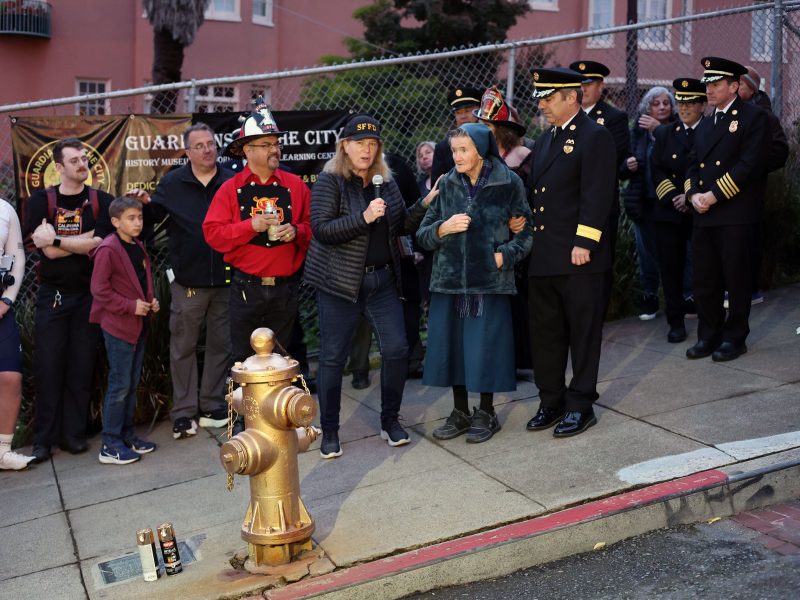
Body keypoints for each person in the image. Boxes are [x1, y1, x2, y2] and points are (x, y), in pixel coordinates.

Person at [303, 113, 430, 459]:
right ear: (345, 146)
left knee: (396, 349)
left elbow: (402, 223)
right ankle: (329, 430)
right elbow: (322, 229)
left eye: (373, 144)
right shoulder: (330, 181)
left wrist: (426, 202)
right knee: (332, 358)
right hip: (339, 283)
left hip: (382, 281)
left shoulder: (385, 182)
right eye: (360, 143)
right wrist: (363, 218)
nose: (367, 149)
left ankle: (390, 420)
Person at [417, 123, 532, 443]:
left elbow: (526, 233)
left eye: (463, 150)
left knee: (485, 350)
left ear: (481, 150)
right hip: (449, 282)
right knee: (453, 348)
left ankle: (486, 411)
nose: (457, 156)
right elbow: (422, 236)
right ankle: (460, 412)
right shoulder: (447, 184)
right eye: (454, 150)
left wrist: (504, 257)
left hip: (489, 283)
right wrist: (443, 228)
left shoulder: (507, 182)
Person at [525, 67, 616, 438]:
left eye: (548, 98)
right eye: (541, 99)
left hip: (579, 254)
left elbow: (598, 195)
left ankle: (581, 405)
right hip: (545, 253)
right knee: (545, 332)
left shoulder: (595, 136)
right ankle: (551, 399)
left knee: (582, 332)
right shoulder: (547, 138)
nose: (542, 105)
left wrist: (585, 241)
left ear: (571, 96)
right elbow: (539, 195)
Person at [139, 123, 234, 440]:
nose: (208, 149)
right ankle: (183, 413)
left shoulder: (231, 180)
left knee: (221, 345)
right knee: (183, 347)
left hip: (227, 278)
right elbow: (150, 221)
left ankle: (211, 405)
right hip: (188, 283)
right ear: (187, 152)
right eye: (200, 145)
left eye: (211, 143)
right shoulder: (173, 183)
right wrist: (143, 204)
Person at [26, 138, 115, 463]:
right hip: (53, 298)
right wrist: (81, 241)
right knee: (49, 367)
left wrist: (61, 238)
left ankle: (73, 435)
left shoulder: (101, 201)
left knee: (81, 366)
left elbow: (99, 243)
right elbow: (45, 249)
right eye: (74, 160)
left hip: (88, 297)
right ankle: (43, 440)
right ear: (59, 167)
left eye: (84, 158)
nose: (82, 164)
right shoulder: (41, 201)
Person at [203, 98, 311, 364]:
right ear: (247, 150)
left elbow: (314, 227)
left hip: (285, 290)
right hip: (245, 289)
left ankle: (282, 407)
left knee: (282, 361)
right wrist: (249, 226)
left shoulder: (296, 185)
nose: (275, 149)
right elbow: (213, 234)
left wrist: (296, 231)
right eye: (266, 145)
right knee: (245, 361)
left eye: (276, 143)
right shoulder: (230, 189)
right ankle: (246, 407)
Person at [685, 57, 771, 362]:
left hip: (734, 212)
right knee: (706, 280)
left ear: (734, 86)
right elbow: (693, 164)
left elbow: (749, 166)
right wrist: (694, 193)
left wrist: (712, 195)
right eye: (707, 83)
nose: (709, 89)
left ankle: (735, 338)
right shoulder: (707, 122)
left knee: (736, 279)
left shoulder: (753, 117)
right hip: (705, 213)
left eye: (716, 84)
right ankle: (708, 335)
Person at [89, 197, 159, 464]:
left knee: (130, 384)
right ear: (116, 222)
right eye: (131, 218)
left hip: (137, 325)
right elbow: (99, 290)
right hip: (119, 326)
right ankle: (110, 443)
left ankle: (127, 435)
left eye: (140, 217)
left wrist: (151, 301)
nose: (138, 222)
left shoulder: (137, 245)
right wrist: (131, 306)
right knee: (119, 385)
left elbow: (141, 281)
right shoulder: (108, 249)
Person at [472, 86, 533, 374]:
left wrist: (517, 217)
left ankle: (521, 358)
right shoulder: (475, 159)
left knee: (518, 301)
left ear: (502, 130)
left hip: (516, 242)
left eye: (486, 125)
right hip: (485, 240)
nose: (480, 129)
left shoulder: (524, 158)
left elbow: (532, 199)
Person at [569, 60, 632, 313]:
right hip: (570, 202)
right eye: (580, 84)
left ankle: (598, 314)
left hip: (601, 202)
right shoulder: (568, 114)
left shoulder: (613, 117)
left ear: (600, 85)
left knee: (600, 260)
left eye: (590, 84)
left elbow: (613, 161)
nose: (584, 90)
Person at [650, 78, 707, 343]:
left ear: (703, 105)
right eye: (681, 102)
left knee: (705, 267)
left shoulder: (709, 131)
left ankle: (708, 319)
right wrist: (674, 196)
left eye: (691, 102)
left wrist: (690, 195)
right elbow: (657, 168)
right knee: (670, 268)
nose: (684, 108)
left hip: (700, 208)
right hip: (669, 211)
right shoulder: (664, 133)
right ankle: (675, 322)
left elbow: (707, 168)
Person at [622, 86, 678, 320]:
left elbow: (681, 159)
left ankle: (681, 297)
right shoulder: (637, 131)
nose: (662, 107)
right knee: (645, 254)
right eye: (656, 104)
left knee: (673, 252)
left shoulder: (677, 129)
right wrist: (628, 165)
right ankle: (649, 296)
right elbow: (622, 166)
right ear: (647, 107)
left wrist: (659, 131)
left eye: (666, 103)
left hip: (670, 203)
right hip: (642, 201)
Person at [0, 197, 33, 470]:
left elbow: (17, 258)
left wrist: (7, 300)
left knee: (11, 377)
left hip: (0, 309)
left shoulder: (5, 210)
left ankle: (2, 450)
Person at [430, 87, 482, 182]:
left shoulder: (490, 139)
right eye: (458, 112)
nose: (463, 116)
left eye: (467, 111)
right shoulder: (443, 148)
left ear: (479, 110)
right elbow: (437, 186)